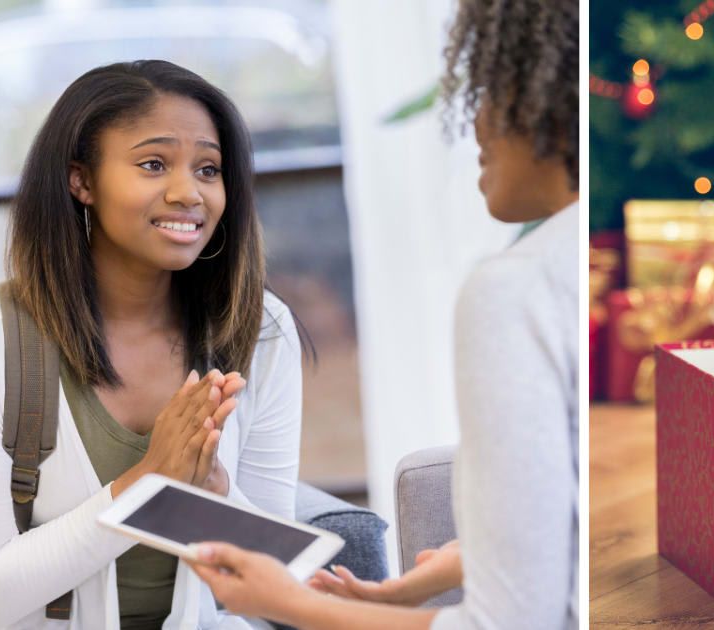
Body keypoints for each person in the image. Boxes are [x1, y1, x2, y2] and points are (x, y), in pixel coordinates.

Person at [188, 1, 580, 628]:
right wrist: (460, 563)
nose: (472, 125)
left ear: (546, 98)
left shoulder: (518, 289)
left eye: (490, 91)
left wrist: (291, 604)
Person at [0, 60, 304, 629]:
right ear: (81, 180)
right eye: (154, 164)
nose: (189, 193)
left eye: (208, 169)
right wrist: (147, 485)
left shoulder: (257, 329)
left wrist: (216, 494)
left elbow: (278, 589)